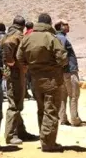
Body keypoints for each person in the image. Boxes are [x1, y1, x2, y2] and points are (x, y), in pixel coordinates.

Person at [17, 13, 68, 153]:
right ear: (49, 23)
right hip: (51, 80)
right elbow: (62, 58)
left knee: (41, 110)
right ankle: (49, 143)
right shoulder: (51, 38)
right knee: (51, 111)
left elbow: (19, 58)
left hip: (35, 80)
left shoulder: (27, 38)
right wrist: (55, 67)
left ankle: (44, 138)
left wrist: (30, 67)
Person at [0, 16, 37, 145]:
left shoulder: (10, 33)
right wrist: (10, 61)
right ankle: (10, 135)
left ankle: (21, 132)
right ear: (22, 26)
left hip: (16, 72)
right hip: (15, 73)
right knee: (14, 104)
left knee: (18, 103)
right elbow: (8, 44)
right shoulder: (16, 35)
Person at [55, 20, 83, 126]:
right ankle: (75, 119)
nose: (68, 26)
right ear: (61, 26)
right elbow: (61, 54)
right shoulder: (61, 38)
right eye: (66, 25)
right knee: (74, 95)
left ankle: (63, 118)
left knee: (63, 96)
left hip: (62, 72)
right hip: (69, 71)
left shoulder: (57, 37)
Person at [24, 21, 35, 99]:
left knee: (26, 78)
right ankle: (35, 94)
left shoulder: (24, 35)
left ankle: (26, 93)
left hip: (27, 60)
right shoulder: (35, 34)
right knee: (34, 78)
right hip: (35, 59)